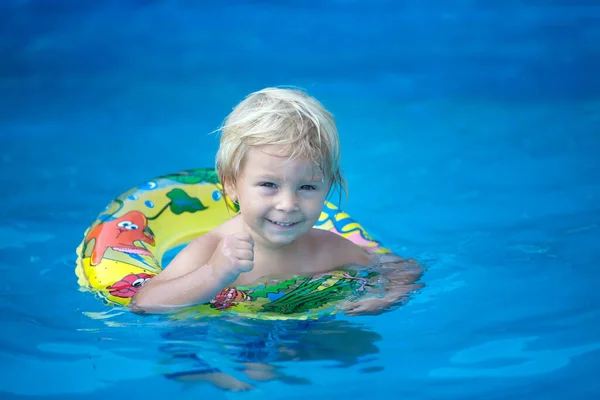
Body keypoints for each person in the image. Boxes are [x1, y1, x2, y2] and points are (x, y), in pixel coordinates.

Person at [131, 87, 422, 316]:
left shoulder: (328, 250)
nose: (287, 204)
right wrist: (214, 274)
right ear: (231, 184)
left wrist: (386, 298)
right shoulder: (211, 251)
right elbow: (144, 302)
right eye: (269, 185)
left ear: (328, 188)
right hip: (225, 333)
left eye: (307, 187)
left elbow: (402, 269)